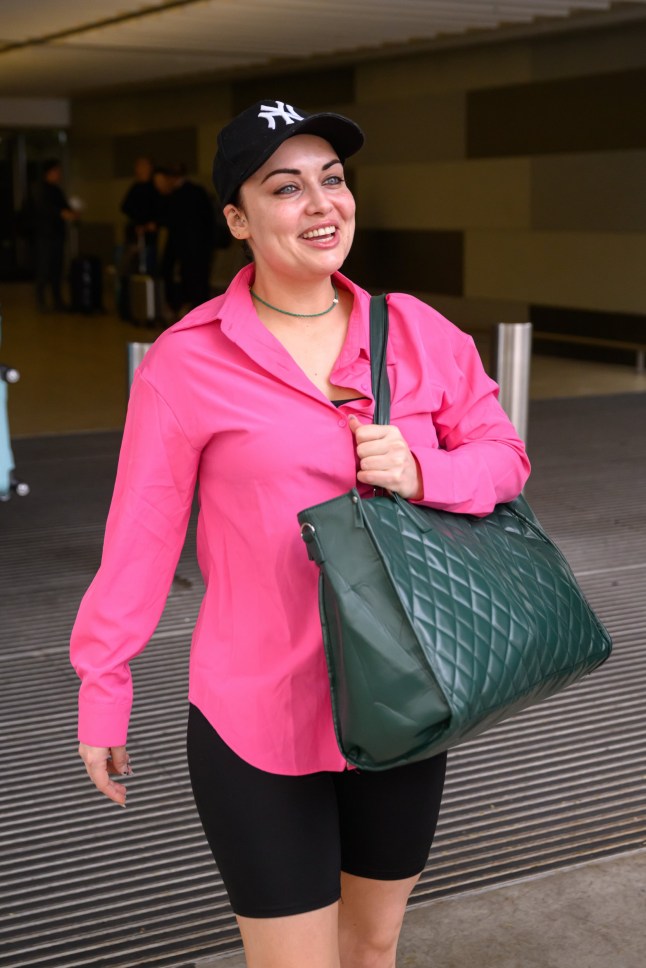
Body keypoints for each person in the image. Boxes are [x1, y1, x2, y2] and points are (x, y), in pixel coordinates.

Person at [71, 99, 531, 968]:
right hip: (257, 716)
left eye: (333, 179)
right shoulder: (188, 360)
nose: (322, 204)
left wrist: (427, 472)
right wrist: (104, 684)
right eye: (287, 188)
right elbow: (141, 533)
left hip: (406, 696)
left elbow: (505, 460)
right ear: (238, 220)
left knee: (374, 943)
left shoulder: (419, 334)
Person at [154, 163, 215, 319]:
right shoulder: (198, 191)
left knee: (188, 280)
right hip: (201, 247)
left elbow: (170, 221)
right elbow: (209, 218)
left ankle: (186, 312)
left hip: (184, 246)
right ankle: (201, 316)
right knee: (199, 282)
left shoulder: (175, 195)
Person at [31, 159, 77, 312]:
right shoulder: (40, 190)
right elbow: (46, 209)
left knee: (57, 268)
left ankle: (57, 300)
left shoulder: (56, 190)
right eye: (56, 171)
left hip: (57, 235)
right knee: (44, 268)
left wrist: (70, 212)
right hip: (45, 236)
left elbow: (64, 206)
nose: (59, 174)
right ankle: (41, 300)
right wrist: (61, 213)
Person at [117, 156, 160, 319]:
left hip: (149, 238)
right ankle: (129, 309)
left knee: (149, 269)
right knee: (129, 270)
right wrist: (139, 223)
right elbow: (125, 207)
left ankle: (149, 309)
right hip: (134, 237)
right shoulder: (136, 187)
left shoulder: (154, 187)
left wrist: (151, 224)